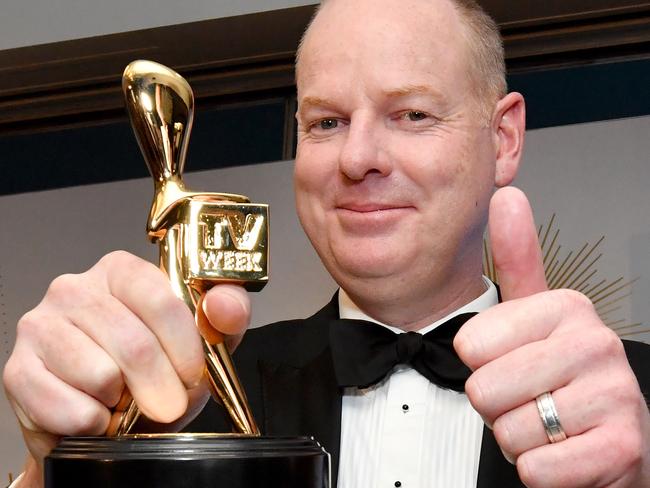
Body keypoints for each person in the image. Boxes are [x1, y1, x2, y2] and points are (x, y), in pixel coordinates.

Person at [3, 0, 649, 487]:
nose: (358, 156)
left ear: (503, 139)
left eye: (411, 115)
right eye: (327, 122)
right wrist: (50, 468)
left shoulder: (633, 412)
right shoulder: (179, 407)